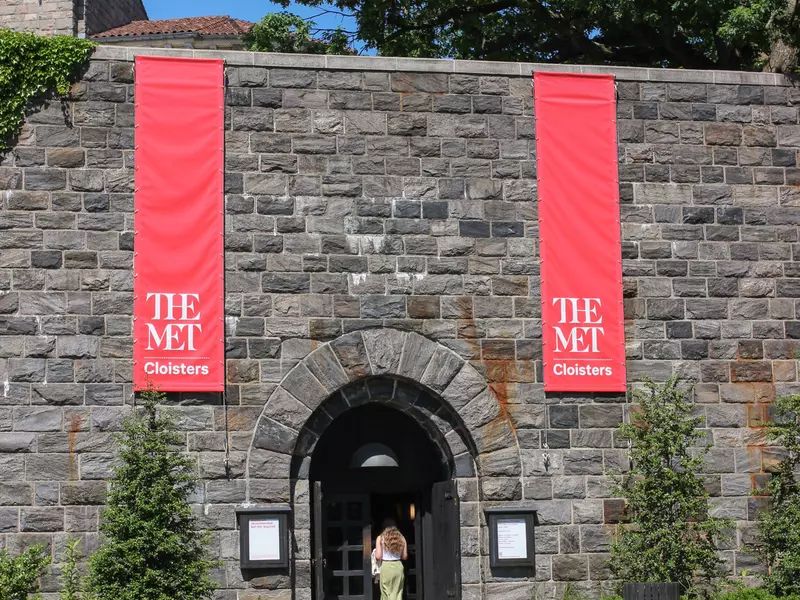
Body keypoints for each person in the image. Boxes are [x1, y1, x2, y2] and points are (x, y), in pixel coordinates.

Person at [375, 519, 407, 600]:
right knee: (397, 593)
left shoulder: (380, 538)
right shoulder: (402, 538)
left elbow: (378, 556)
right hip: (398, 566)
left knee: (386, 593)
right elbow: (404, 557)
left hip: (386, 566)